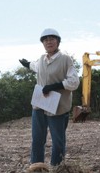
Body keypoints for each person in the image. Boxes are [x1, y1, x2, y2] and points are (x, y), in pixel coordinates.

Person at [19, 28, 80, 167]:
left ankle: (56, 167)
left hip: (57, 106)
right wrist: (27, 64)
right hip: (39, 104)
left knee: (58, 141)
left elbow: (74, 82)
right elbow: (36, 67)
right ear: (43, 43)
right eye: (45, 40)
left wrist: (54, 86)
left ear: (58, 42)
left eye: (52, 39)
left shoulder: (65, 59)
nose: (49, 42)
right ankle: (37, 167)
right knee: (37, 139)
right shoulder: (41, 59)